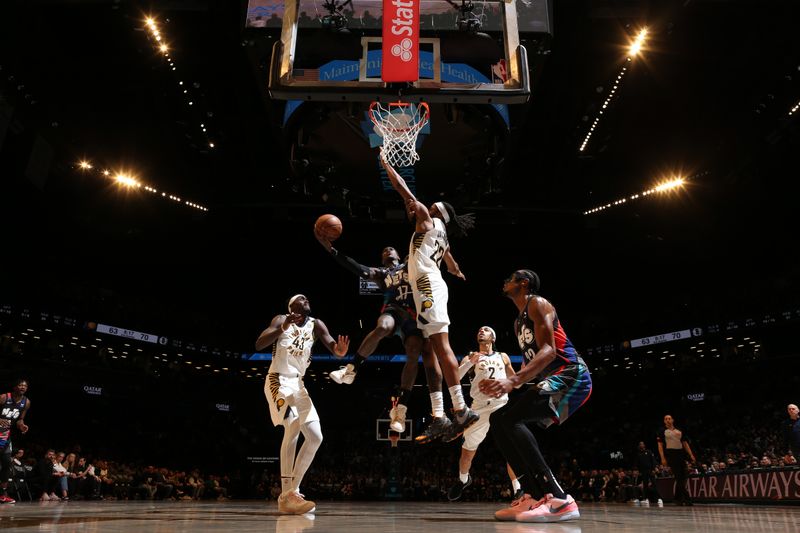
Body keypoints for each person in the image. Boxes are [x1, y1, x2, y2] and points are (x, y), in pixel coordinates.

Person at [480, 269, 591, 523]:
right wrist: (505, 382)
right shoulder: (518, 320)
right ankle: (531, 494)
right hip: (552, 379)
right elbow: (533, 366)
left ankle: (559, 498)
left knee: (513, 418)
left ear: (524, 283)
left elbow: (550, 351)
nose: (505, 280)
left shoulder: (538, 303)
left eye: (510, 277)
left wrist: (514, 380)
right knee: (499, 419)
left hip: (573, 375)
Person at [381, 155, 479, 442]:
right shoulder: (442, 235)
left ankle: (460, 409)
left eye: (429, 205)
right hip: (429, 286)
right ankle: (439, 416)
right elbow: (450, 262)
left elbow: (404, 190)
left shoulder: (427, 220)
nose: (421, 205)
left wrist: (386, 164)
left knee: (440, 344)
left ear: (435, 212)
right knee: (427, 350)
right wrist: (457, 270)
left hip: (428, 286)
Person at [314, 232, 443, 434]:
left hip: (415, 316)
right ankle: (350, 369)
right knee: (382, 326)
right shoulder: (383, 274)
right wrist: (331, 249)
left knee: (414, 352)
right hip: (394, 310)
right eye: (384, 251)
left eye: (391, 249)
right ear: (382, 259)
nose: (388, 250)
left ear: (400, 255)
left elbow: (425, 252)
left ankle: (400, 410)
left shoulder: (411, 263)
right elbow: (355, 267)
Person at [256, 294, 350, 514]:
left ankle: (293, 492)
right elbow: (259, 343)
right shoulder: (281, 319)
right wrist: (283, 327)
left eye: (307, 299)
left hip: (299, 385)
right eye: (301, 299)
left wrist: (340, 352)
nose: (306, 299)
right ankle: (287, 492)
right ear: (291, 306)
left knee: (316, 436)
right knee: (293, 423)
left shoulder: (316, 324)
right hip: (278, 380)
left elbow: (333, 347)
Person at [448, 326, 521, 501]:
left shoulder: (503, 357)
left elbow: (516, 383)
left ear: (493, 338)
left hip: (501, 405)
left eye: (486, 330)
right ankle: (463, 479)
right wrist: (469, 362)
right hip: (479, 408)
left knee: (512, 447)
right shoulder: (471, 356)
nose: (481, 331)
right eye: (479, 330)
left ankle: (518, 489)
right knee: (467, 451)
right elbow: (454, 377)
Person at [0, 378, 31, 504]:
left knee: (7, 463)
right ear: (14, 387)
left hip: (5, 435)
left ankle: (2, 494)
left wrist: (21, 425)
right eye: (20, 385)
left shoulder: (26, 402)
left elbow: (19, 419)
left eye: (25, 386)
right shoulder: (3, 397)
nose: (23, 387)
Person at [657, 414, 696, 506]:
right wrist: (662, 458)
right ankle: (687, 499)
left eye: (669, 418)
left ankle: (677, 499)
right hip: (671, 455)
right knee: (678, 477)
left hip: (681, 454)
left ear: (672, 420)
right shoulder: (662, 431)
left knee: (683, 477)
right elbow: (660, 445)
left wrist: (691, 455)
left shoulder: (679, 430)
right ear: (664, 421)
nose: (667, 420)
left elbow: (685, 443)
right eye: (666, 419)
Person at [635, 441, 663, 507]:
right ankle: (646, 498)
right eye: (640, 444)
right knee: (645, 485)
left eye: (642, 444)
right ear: (639, 446)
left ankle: (659, 498)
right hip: (643, 472)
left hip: (650, 470)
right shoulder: (638, 454)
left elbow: (653, 460)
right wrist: (639, 471)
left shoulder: (649, 452)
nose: (641, 445)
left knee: (654, 484)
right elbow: (638, 464)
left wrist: (654, 469)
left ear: (644, 445)